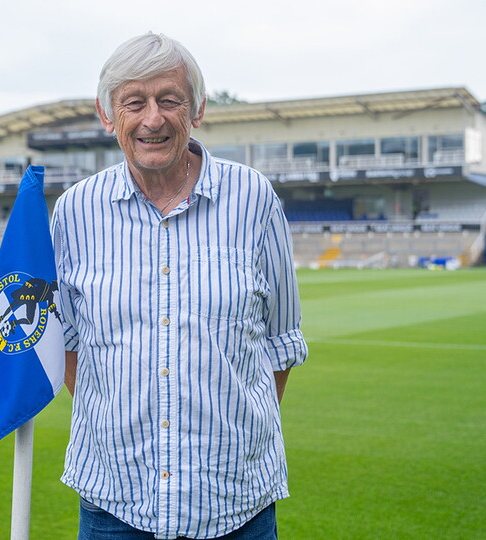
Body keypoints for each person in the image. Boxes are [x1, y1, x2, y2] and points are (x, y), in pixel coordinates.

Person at [51, 32, 308, 540]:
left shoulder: (254, 200)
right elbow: (69, 345)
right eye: (134, 103)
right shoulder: (73, 212)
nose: (153, 119)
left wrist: (228, 437)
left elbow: (280, 343)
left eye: (169, 100)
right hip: (115, 504)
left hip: (237, 504)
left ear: (198, 109)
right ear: (108, 117)